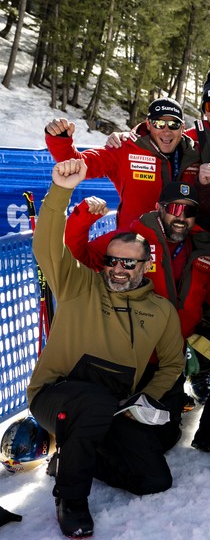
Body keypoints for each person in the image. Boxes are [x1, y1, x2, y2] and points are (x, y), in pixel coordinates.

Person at [27, 159, 185, 538]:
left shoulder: (160, 310)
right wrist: (60, 193)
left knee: (154, 479)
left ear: (147, 265)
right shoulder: (78, 285)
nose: (119, 269)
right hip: (56, 395)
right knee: (95, 402)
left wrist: (145, 399)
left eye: (129, 263)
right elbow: (47, 245)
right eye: (113, 260)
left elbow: (172, 364)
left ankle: (81, 455)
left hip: (114, 406)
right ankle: (71, 498)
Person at [62, 181, 210, 453]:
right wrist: (83, 218)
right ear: (159, 208)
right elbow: (79, 257)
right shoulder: (133, 240)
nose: (181, 217)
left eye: (189, 212)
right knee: (135, 430)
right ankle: (86, 447)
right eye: (175, 208)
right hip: (134, 356)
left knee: (166, 434)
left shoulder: (203, 247)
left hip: (178, 352)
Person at [44, 98, 200, 228]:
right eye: (159, 124)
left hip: (181, 247)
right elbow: (80, 165)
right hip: (135, 250)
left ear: (182, 128)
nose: (166, 131)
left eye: (173, 125)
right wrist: (60, 140)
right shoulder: (124, 149)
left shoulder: (195, 154)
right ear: (148, 124)